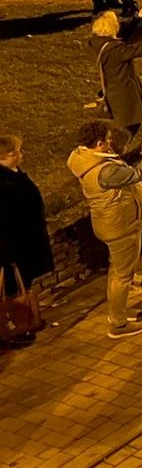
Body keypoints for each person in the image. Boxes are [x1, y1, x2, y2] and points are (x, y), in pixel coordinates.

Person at [67, 119, 142, 338]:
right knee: (122, 275)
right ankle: (118, 323)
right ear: (99, 143)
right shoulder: (104, 172)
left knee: (117, 270)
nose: (112, 142)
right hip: (121, 226)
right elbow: (139, 173)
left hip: (111, 223)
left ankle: (119, 311)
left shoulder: (85, 157)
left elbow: (125, 168)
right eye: (108, 139)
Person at [0, 134, 53, 327]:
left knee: (26, 285)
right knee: (16, 289)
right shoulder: (5, 185)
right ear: (4, 157)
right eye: (16, 153)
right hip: (16, 247)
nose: (21, 155)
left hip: (27, 241)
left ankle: (31, 321)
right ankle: (22, 326)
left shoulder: (14, 174)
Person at [94, 4, 142, 148]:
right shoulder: (117, 51)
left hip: (112, 90)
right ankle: (117, 153)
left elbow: (120, 38)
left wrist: (138, 18)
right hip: (123, 94)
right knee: (127, 128)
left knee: (127, 126)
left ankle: (116, 150)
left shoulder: (99, 44)